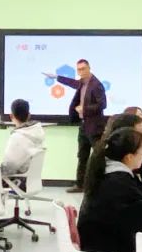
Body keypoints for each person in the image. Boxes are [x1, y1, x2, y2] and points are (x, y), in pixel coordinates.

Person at [45, 59, 107, 193]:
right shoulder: (82, 83)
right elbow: (72, 82)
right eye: (79, 69)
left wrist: (84, 109)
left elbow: (102, 105)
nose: (81, 72)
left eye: (83, 69)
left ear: (89, 68)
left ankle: (101, 186)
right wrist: (56, 77)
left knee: (98, 156)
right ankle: (80, 184)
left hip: (95, 127)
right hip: (84, 126)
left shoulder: (96, 85)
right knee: (82, 156)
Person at [2, 98, 46, 177]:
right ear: (29, 115)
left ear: (11, 116)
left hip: (17, 179)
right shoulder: (38, 132)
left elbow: (8, 168)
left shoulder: (17, 137)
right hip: (30, 179)